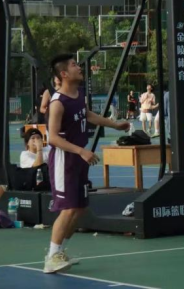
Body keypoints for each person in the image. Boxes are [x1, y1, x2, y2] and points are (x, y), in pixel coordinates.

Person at [44, 54, 130, 274]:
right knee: (68, 208)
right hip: (65, 160)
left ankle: (60, 251)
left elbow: (88, 115)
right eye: (74, 65)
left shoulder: (78, 94)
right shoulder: (57, 103)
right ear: (64, 74)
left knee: (80, 208)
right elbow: (52, 138)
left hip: (79, 159)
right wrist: (81, 150)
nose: (79, 67)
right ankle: (51, 257)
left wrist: (114, 125)